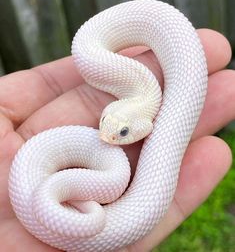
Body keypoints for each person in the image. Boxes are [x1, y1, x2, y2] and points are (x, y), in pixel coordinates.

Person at [0, 28, 233, 252]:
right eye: (105, 123)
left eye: (122, 133)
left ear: (146, 125)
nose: (106, 137)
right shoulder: (127, 97)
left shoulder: (144, 105)